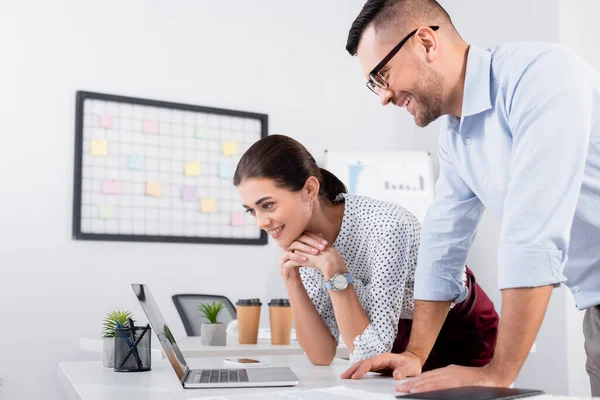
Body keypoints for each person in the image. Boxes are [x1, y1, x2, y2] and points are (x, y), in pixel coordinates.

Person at [341, 0, 600, 395]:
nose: (384, 96)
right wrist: (416, 354)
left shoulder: (541, 75)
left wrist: (499, 372)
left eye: (383, 74)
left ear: (426, 42)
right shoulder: (456, 136)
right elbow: (442, 244)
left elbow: (532, 232)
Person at [233, 134, 498, 368]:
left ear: (310, 190)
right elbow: (320, 354)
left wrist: (337, 274)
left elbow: (370, 352)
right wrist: (292, 280)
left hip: (459, 329)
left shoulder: (386, 226)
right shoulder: (309, 246)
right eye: (251, 211)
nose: (260, 223)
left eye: (267, 205)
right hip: (395, 334)